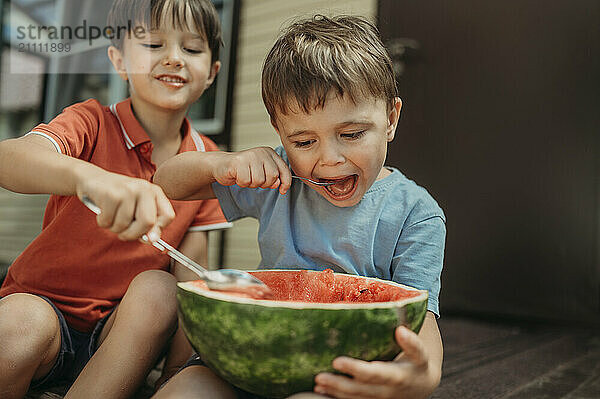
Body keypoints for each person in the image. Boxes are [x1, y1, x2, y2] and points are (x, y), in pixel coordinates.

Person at [152, 14, 446, 399]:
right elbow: (166, 183)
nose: (330, 159)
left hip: (343, 375)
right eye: (304, 142)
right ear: (281, 135)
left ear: (390, 118)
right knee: (186, 390)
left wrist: (424, 375)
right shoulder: (280, 179)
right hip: (252, 355)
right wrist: (221, 163)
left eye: (352, 134)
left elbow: (421, 319)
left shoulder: (416, 214)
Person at [0, 0, 231, 398]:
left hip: (120, 335)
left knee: (162, 289)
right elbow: (11, 158)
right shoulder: (90, 121)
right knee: (17, 325)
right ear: (119, 61)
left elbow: (193, 275)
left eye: (191, 49)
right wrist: (92, 179)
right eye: (154, 45)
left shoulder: (204, 161)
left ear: (211, 74)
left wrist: (177, 373)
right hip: (44, 312)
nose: (174, 58)